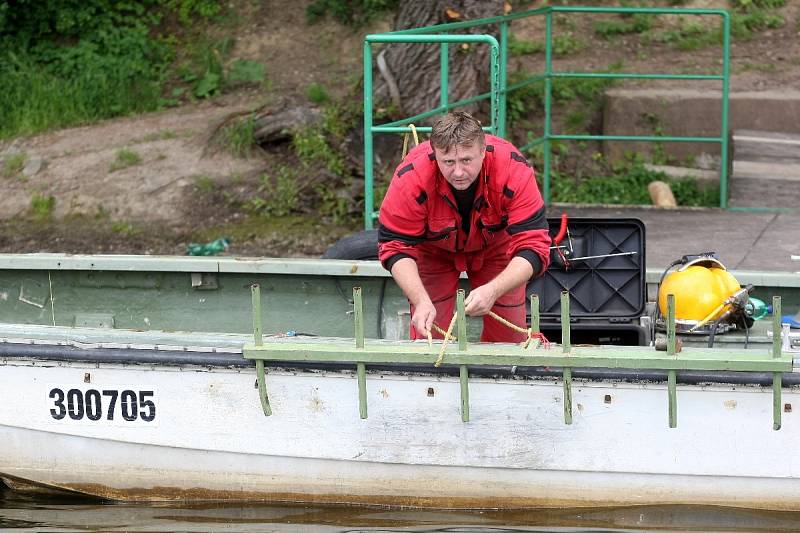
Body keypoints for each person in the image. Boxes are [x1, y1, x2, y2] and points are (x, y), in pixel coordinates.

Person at [377, 111, 551, 342]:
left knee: (509, 339)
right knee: (429, 334)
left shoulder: (513, 169)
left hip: (496, 249)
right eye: (448, 162)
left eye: (466, 160)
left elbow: (534, 246)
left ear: (482, 150)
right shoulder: (411, 177)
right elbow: (395, 247)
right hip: (433, 252)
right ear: (434, 154)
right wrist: (420, 300)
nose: (458, 172)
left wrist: (494, 289)